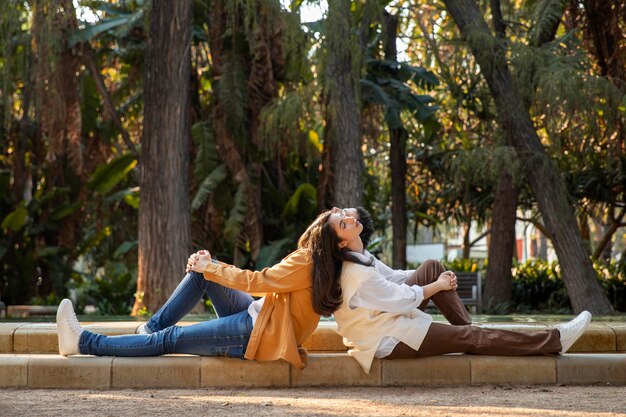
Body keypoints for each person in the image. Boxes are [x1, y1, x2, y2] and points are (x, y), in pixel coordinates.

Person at [56, 208, 374, 368]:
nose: (348, 216)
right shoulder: (327, 259)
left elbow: (258, 282)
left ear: (341, 240)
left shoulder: (310, 261)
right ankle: (147, 331)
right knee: (202, 276)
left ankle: (84, 342)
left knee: (171, 339)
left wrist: (212, 267)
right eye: (343, 215)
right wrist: (210, 268)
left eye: (348, 222)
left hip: (259, 332)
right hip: (263, 316)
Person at [310, 208, 592, 374]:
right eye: (343, 223)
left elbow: (395, 278)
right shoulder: (356, 274)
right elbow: (401, 300)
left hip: (388, 322)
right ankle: (555, 341)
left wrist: (436, 277)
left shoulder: (361, 257)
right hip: (388, 339)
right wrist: (437, 287)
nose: (349, 217)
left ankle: (474, 333)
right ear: (342, 244)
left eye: (344, 215)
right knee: (470, 336)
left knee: (432, 266)